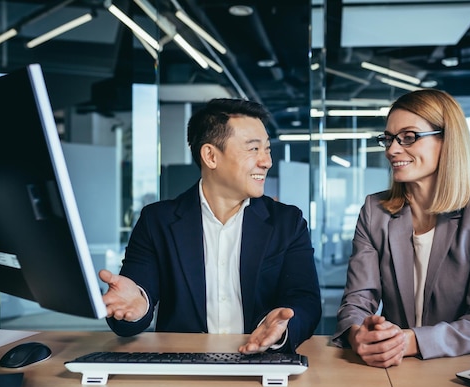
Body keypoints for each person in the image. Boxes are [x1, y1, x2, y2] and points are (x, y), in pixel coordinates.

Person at [100, 98, 322, 354]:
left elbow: (305, 300)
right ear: (210, 156)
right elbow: (131, 303)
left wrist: (280, 330)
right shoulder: (157, 221)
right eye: (253, 149)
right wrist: (136, 309)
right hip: (183, 368)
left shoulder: (287, 222)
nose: (266, 162)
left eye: (267, 149)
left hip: (261, 364)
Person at [331, 89, 470, 367]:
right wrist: (358, 335)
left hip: (466, 366)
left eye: (408, 137)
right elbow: (358, 299)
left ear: (447, 141)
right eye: (389, 139)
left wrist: (407, 341)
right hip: (395, 367)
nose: (392, 150)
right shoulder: (375, 210)